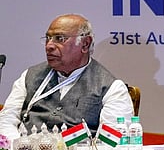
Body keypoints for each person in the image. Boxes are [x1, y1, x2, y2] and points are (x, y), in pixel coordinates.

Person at [0, 14, 133, 138]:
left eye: (60, 39)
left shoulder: (111, 87)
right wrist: (17, 148)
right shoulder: (29, 76)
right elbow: (6, 121)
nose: (49, 45)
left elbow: (111, 141)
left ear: (85, 44)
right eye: (47, 38)